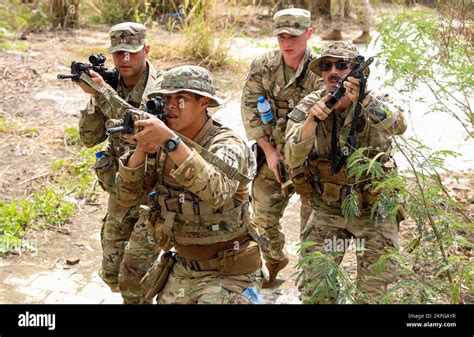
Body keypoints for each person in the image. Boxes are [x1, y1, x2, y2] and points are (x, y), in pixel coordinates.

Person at [112, 65, 264, 304]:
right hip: (184, 268)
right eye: (166, 99)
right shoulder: (164, 141)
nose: (170, 105)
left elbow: (219, 192)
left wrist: (170, 141)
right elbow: (126, 196)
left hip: (230, 272)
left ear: (204, 103)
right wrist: (141, 150)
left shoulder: (226, 143)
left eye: (180, 99)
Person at [285, 41, 407, 303]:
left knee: (371, 297)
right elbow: (291, 155)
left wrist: (363, 100)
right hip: (328, 209)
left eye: (342, 65)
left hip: (374, 213)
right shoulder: (310, 104)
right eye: (326, 66)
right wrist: (311, 122)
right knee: (317, 291)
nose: (333, 72)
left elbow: (399, 125)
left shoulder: (377, 100)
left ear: (357, 72)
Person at [76, 21, 160, 303]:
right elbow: (89, 138)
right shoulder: (109, 84)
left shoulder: (161, 90)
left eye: (132, 52)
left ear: (146, 49)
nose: (124, 59)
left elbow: (140, 128)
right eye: (118, 53)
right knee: (111, 273)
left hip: (154, 195)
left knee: (134, 281)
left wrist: (103, 94)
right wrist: (93, 101)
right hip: (121, 192)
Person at [241, 8, 323, 288]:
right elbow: (249, 105)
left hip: (313, 163)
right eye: (281, 36)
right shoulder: (264, 64)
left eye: (294, 36)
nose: (287, 43)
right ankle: (274, 260)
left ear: (309, 34)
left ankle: (313, 285)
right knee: (260, 214)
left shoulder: (323, 69)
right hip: (275, 156)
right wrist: (268, 150)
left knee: (314, 230)